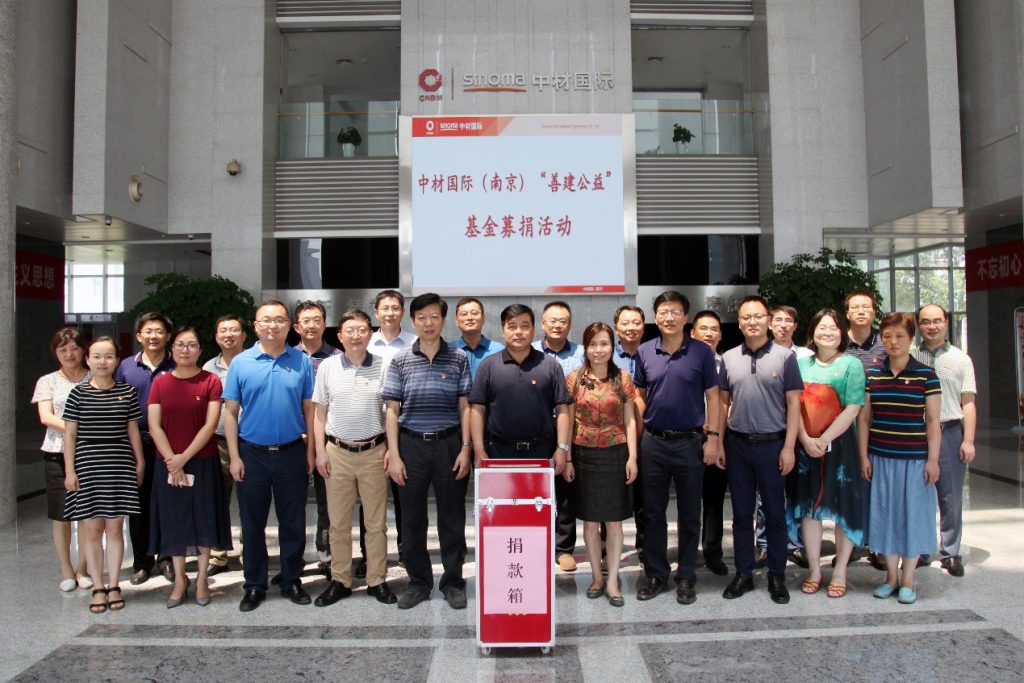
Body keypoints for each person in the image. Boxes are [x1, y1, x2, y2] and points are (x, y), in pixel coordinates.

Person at [223, 300, 315, 612]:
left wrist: (310, 452)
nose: (272, 325)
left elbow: (309, 409)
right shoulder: (241, 363)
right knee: (252, 524)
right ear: (255, 326)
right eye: (266, 320)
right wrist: (235, 456)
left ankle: (291, 580)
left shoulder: (301, 361)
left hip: (292, 452)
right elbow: (231, 413)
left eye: (279, 320)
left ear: (289, 325)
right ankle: (254, 584)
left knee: (293, 521)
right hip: (252, 454)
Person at [383, 293, 473, 610]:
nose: (428, 323)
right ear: (413, 321)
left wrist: (466, 448)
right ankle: (419, 582)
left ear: (443, 320)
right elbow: (392, 410)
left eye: (434, 316)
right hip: (411, 446)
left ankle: (453, 582)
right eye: (421, 317)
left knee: (452, 518)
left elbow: (465, 406)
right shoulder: (400, 360)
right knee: (412, 519)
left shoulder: (458, 358)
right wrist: (394, 454)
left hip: (449, 444)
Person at [633, 291, 720, 605]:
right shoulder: (644, 351)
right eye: (663, 312)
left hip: (689, 441)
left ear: (685, 317)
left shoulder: (701, 352)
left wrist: (713, 437)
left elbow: (713, 396)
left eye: (675, 312)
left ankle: (686, 575)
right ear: (655, 317)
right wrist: (640, 435)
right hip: (653, 442)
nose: (668, 317)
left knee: (689, 512)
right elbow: (639, 394)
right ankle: (656, 573)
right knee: (653, 512)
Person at [718, 295, 801, 605]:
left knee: (775, 513)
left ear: (768, 320)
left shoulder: (785, 357)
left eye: (758, 316)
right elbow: (723, 403)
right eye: (746, 317)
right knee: (741, 515)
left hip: (773, 445)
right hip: (737, 444)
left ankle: (777, 575)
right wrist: (718, 441)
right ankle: (743, 572)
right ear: (739, 323)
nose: (752, 322)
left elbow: (794, 404)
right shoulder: (729, 358)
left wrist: (789, 447)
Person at [312, 309, 396, 607]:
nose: (356, 335)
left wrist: (392, 450)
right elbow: (319, 413)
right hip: (337, 453)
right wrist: (320, 451)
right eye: (350, 330)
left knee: (376, 523)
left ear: (370, 334)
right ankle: (340, 580)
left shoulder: (385, 365)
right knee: (338, 523)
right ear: (340, 336)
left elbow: (392, 411)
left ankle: (377, 580)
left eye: (362, 330)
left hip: (374, 452)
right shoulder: (327, 367)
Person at [859, 312, 941, 604]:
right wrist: (863, 457)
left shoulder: (926, 375)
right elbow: (864, 418)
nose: (893, 342)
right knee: (886, 516)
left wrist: (933, 460)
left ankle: (908, 579)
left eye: (900, 336)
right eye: (888, 336)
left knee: (912, 517)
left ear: (911, 339)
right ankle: (891, 577)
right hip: (881, 458)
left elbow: (933, 421)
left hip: (915, 460)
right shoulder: (873, 374)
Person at [147, 327, 230, 608]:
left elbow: (210, 425)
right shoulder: (160, 383)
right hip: (167, 463)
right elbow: (154, 425)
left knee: (204, 518)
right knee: (175, 520)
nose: (185, 350)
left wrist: (183, 458)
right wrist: (173, 460)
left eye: (192, 345)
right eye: (180, 345)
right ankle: (180, 580)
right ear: (172, 349)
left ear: (199, 351)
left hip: (203, 461)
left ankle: (202, 578)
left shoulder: (210, 381)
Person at [787, 309, 866, 598]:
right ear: (813, 332)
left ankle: (841, 570)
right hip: (805, 448)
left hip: (840, 449)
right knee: (809, 509)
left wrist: (823, 439)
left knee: (842, 508)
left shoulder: (851, 365)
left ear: (842, 333)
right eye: (822, 327)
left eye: (833, 328)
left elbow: (853, 408)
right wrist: (805, 439)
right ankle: (814, 570)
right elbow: (792, 406)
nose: (828, 332)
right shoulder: (800, 364)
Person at [63, 337, 144, 614]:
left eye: (108, 356)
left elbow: (133, 430)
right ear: (88, 360)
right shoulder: (78, 394)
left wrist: (140, 462)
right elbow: (70, 435)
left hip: (119, 464)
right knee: (93, 530)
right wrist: (70, 471)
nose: (102, 361)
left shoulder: (127, 392)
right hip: (88, 465)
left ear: (117, 360)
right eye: (96, 356)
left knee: (115, 528)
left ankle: (114, 585)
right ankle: (98, 587)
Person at [563, 322, 638, 607]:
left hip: (616, 453)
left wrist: (633, 457)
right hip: (583, 455)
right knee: (590, 520)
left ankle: (613, 580)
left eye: (604, 344)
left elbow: (630, 420)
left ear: (612, 346)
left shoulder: (623, 378)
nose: (598, 350)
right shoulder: (574, 379)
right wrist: (567, 457)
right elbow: (568, 420)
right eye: (593, 344)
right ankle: (596, 577)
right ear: (585, 348)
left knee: (614, 520)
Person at [912, 304, 977, 577]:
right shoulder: (910, 356)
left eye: (937, 321)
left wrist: (968, 440)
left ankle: (950, 552)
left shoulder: (961, 359)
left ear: (946, 322)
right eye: (926, 322)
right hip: (917, 433)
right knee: (919, 493)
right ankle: (921, 549)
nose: (932, 326)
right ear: (918, 325)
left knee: (950, 496)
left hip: (950, 430)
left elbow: (968, 402)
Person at [469, 303, 572, 469]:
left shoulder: (550, 365)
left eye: (525, 326)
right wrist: (479, 450)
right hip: (498, 452)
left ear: (533, 330)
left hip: (541, 452)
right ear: (503, 330)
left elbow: (562, 409)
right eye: (512, 326)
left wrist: (562, 448)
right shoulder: (488, 366)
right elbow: (477, 409)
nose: (518, 332)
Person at [116, 312, 175, 585]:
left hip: (170, 440)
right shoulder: (126, 367)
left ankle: (167, 558)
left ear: (168, 336)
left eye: (159, 331)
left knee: (168, 501)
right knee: (137, 503)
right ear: (139, 336)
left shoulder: (176, 364)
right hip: (135, 440)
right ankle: (142, 562)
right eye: (148, 331)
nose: (153, 336)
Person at [31, 327, 91, 592]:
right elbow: (46, 416)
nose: (69, 354)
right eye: (62, 349)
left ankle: (84, 568)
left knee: (89, 514)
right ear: (55, 352)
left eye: (74, 348)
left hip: (90, 452)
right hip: (56, 452)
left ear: (83, 350)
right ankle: (66, 569)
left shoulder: (95, 376)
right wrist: (75, 429)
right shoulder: (47, 381)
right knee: (61, 514)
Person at [366, 289, 417, 573]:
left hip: (403, 426)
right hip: (370, 427)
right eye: (384, 308)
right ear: (376, 312)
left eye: (395, 308)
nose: (389, 313)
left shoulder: (414, 343)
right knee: (370, 496)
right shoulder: (365, 341)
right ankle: (369, 554)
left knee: (403, 494)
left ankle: (406, 550)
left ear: (402, 312)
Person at [533, 301, 585, 573]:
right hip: (536, 428)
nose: (557, 325)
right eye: (552, 320)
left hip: (571, 426)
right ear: (543, 324)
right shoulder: (530, 352)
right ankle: (536, 543)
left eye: (562, 321)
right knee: (536, 488)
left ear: (570, 324)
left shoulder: (582, 354)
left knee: (566, 488)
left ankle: (563, 549)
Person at [293, 300, 342, 575]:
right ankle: (293, 558)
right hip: (294, 440)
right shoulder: (286, 357)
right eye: (306, 321)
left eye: (317, 320)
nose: (311, 326)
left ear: (324, 324)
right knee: (292, 503)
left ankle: (327, 556)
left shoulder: (338, 357)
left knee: (328, 502)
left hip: (328, 440)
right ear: (296, 327)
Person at [764, 304, 812, 568]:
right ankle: (764, 544)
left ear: (795, 326)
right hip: (769, 430)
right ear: (770, 324)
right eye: (778, 320)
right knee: (765, 493)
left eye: (788, 321)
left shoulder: (807, 356)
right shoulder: (761, 351)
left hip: (801, 430)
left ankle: (795, 543)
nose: (783, 325)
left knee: (797, 490)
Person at [844, 290, 888, 571]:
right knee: (849, 488)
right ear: (847, 313)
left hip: (880, 428)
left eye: (866, 307)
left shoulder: (886, 344)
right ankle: (851, 543)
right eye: (855, 307)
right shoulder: (837, 343)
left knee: (877, 489)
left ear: (874, 312)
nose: (861, 311)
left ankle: (877, 544)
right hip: (844, 429)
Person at [203, 315, 246, 576]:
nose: (229, 334)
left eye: (234, 330)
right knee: (218, 499)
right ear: (217, 337)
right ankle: (218, 555)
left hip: (249, 441)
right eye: (223, 331)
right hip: (218, 441)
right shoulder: (208, 368)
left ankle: (249, 551)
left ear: (244, 335)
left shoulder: (254, 361)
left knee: (249, 501)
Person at [690, 310, 729, 576]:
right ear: (692, 333)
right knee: (689, 498)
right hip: (689, 436)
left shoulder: (726, 363)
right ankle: (688, 551)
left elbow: (729, 401)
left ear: (720, 335)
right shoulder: (684, 361)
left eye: (714, 329)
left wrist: (717, 433)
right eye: (703, 329)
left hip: (718, 436)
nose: (708, 333)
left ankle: (713, 552)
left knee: (714, 499)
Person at [613, 305, 646, 560]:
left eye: (636, 323)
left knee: (646, 496)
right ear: (616, 328)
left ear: (643, 327)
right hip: (613, 437)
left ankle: (645, 547)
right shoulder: (606, 356)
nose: (631, 328)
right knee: (609, 495)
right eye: (625, 323)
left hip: (649, 436)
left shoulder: (652, 354)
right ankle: (608, 549)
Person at [450, 297, 504, 381]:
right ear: (456, 321)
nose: (469, 318)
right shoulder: (449, 350)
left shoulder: (498, 350)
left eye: (474, 313)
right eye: (464, 314)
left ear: (483, 318)